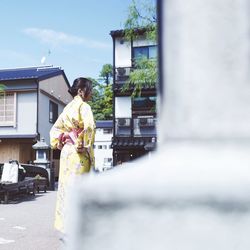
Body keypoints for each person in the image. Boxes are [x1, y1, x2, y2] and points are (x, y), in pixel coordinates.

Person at [50, 77, 96, 234]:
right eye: (90, 89)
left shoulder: (67, 108)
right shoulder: (84, 107)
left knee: (66, 187)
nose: (92, 92)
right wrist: (83, 143)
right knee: (80, 187)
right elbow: (89, 127)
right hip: (78, 152)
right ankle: (80, 226)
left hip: (66, 152)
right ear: (81, 91)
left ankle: (66, 225)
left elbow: (55, 130)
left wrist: (63, 138)